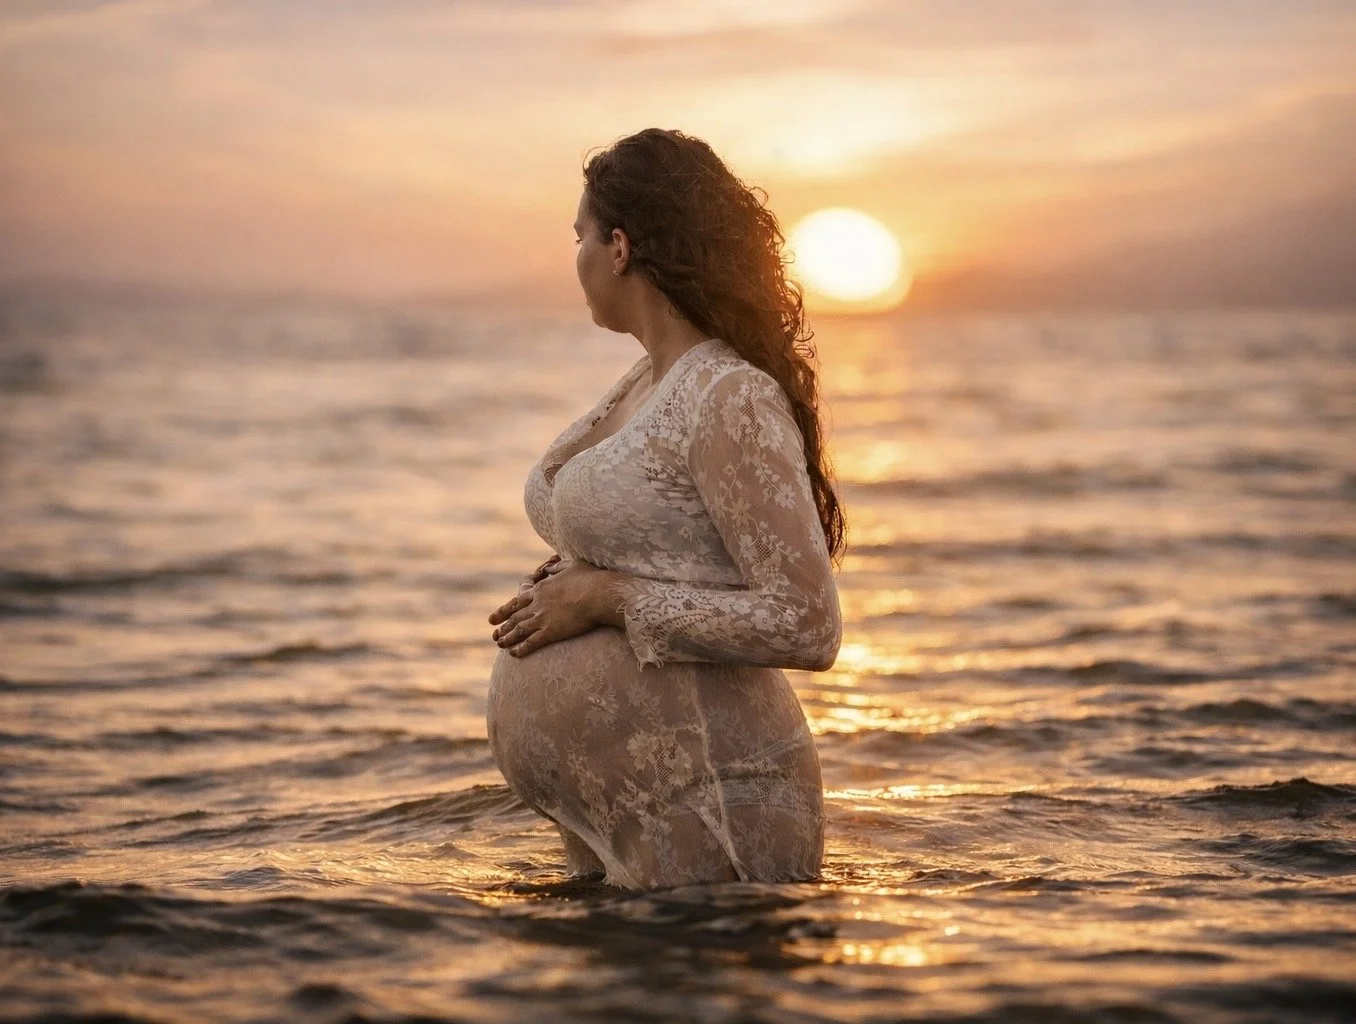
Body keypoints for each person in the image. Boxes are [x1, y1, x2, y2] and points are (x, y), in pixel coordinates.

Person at [485, 128, 845, 889]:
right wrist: (587, 570)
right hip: (626, 810)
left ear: (619, 247)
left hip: (717, 799)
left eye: (579, 236)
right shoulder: (648, 381)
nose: (575, 258)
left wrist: (605, 597)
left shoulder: (728, 395)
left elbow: (808, 623)